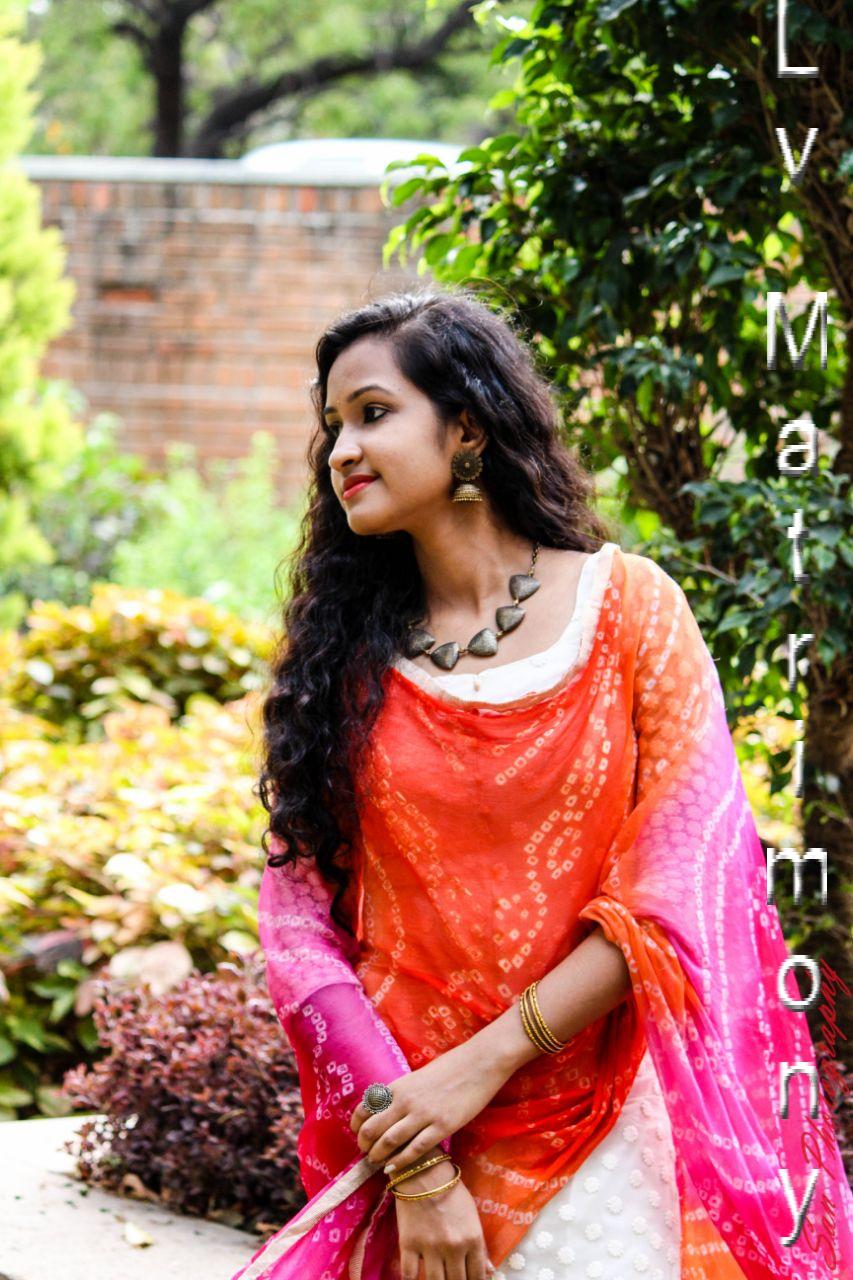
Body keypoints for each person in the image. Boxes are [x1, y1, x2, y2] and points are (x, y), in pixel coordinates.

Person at [230, 288, 853, 1280]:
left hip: (606, 1121)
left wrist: (478, 1067)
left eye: (373, 413)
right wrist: (418, 1160)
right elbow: (301, 933)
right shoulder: (340, 663)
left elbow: (677, 896)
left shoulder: (630, 611)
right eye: (332, 424)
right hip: (409, 1131)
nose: (341, 449)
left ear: (467, 426)